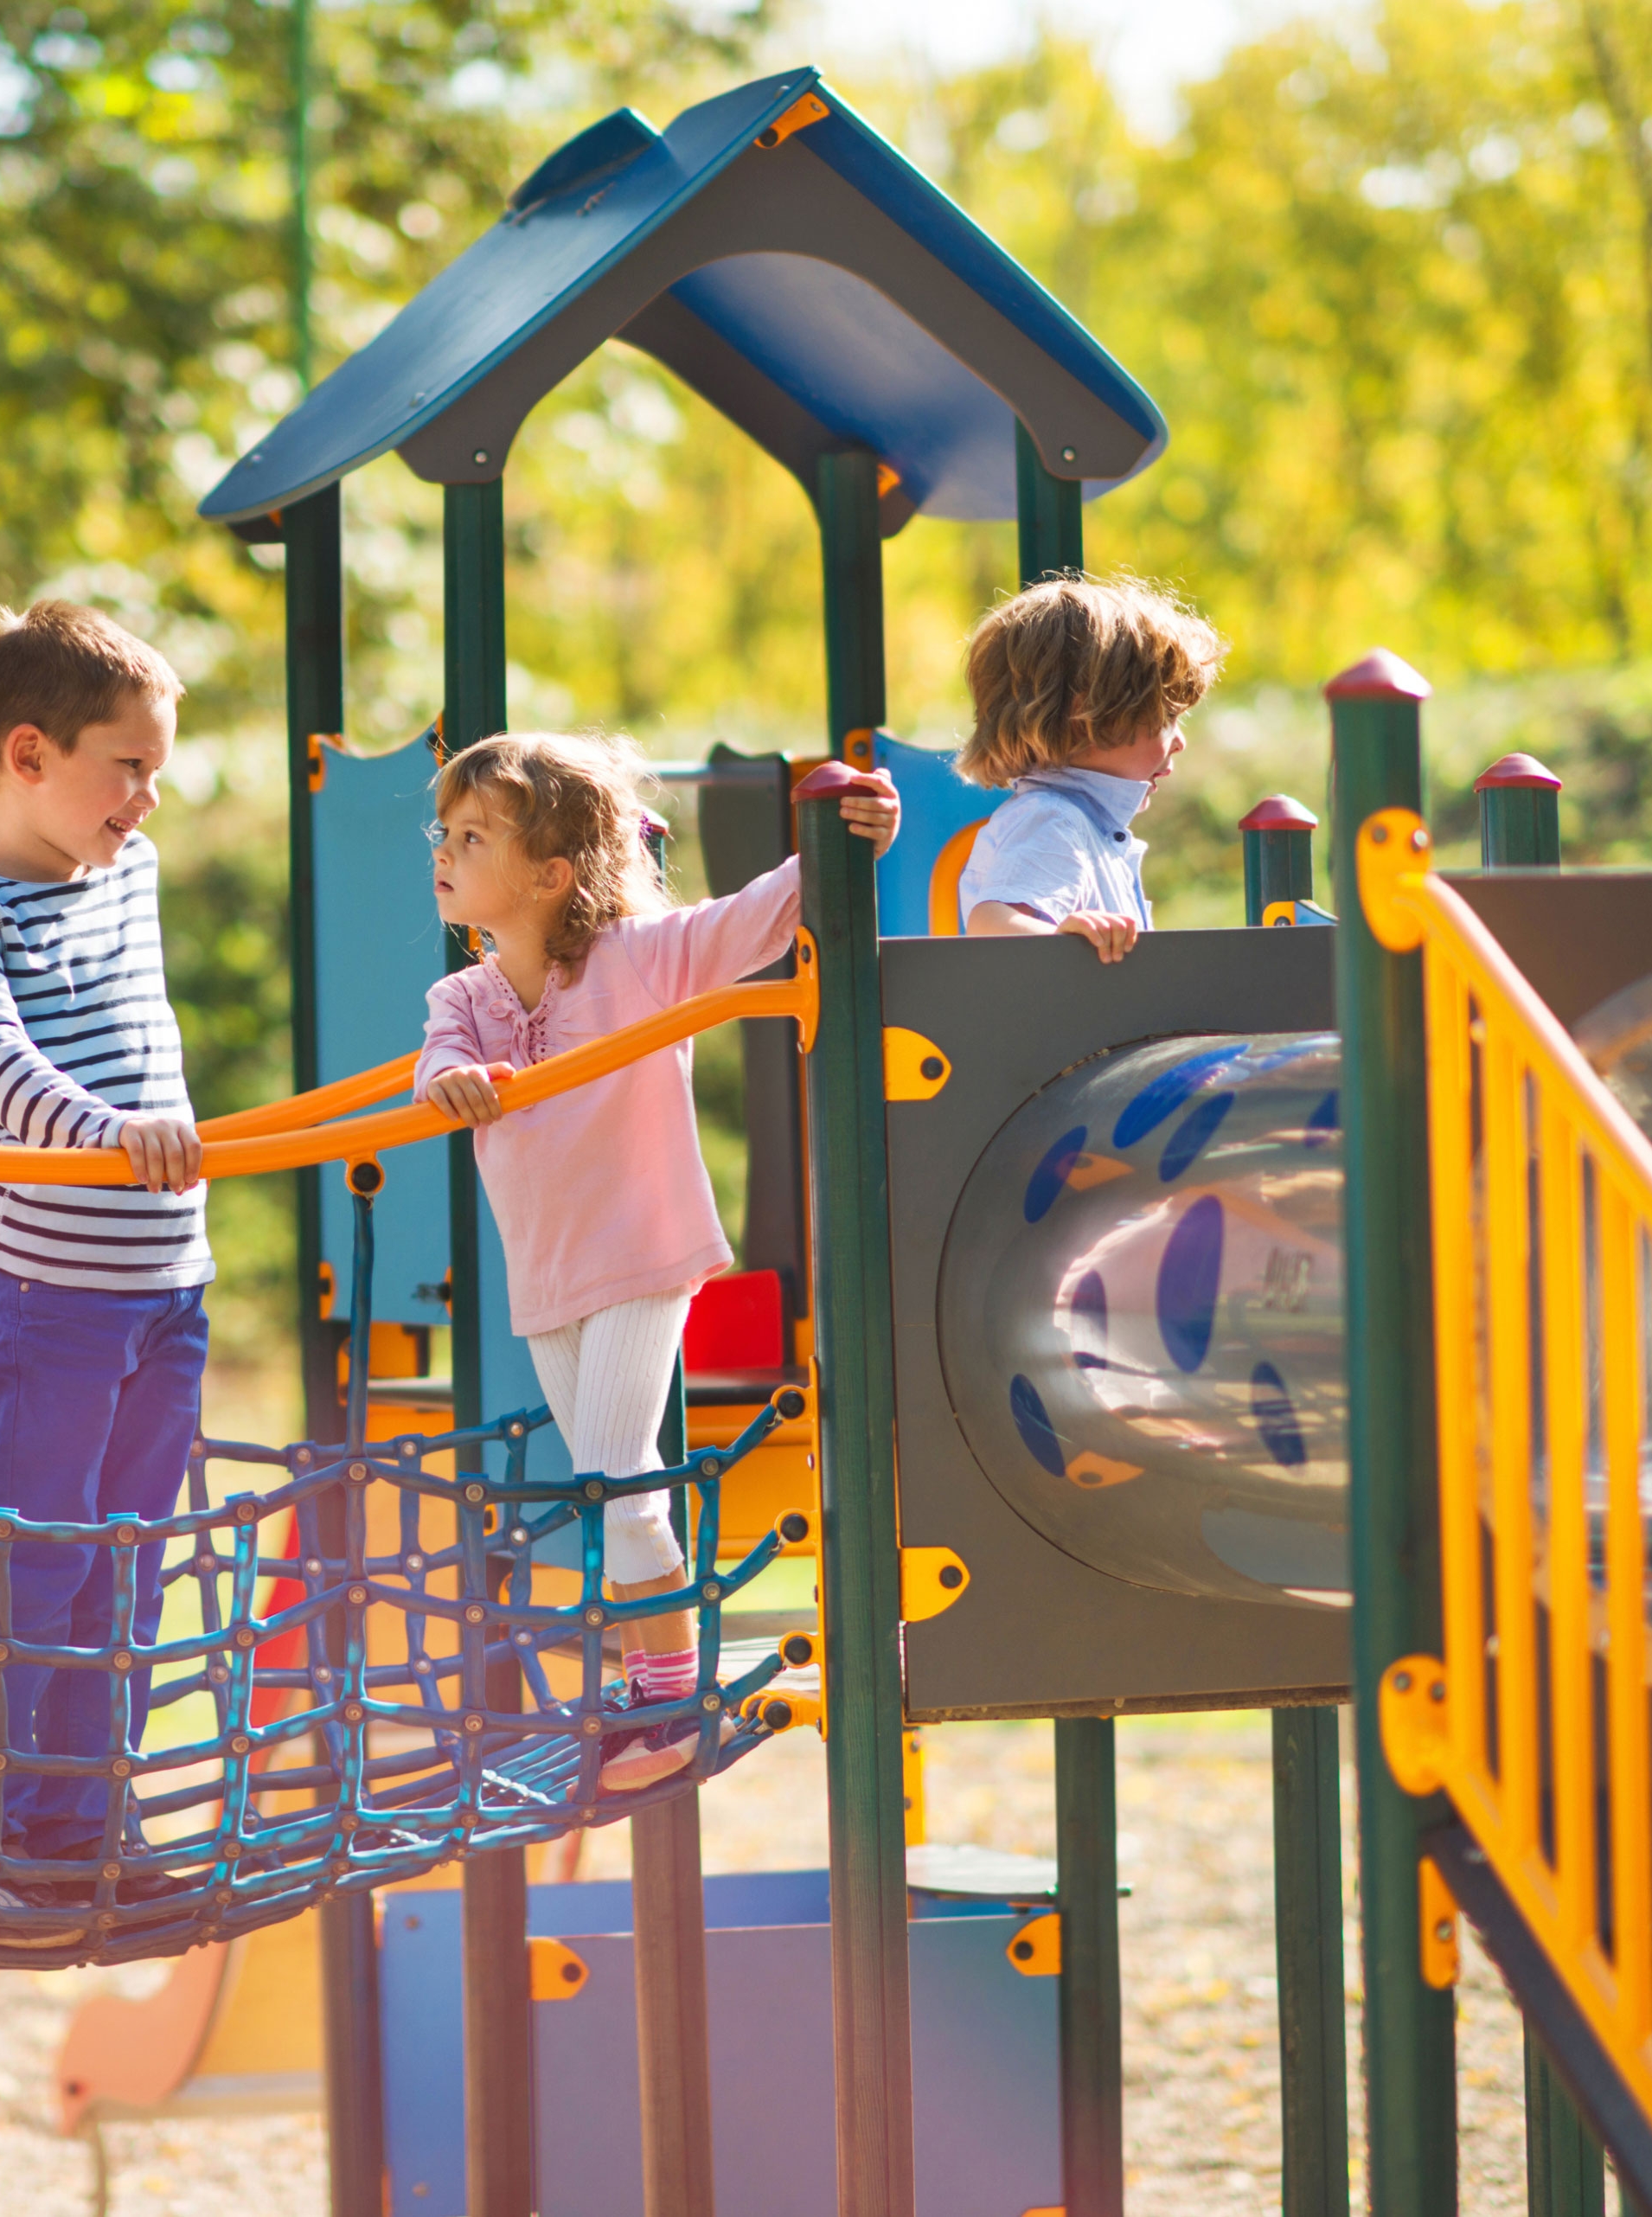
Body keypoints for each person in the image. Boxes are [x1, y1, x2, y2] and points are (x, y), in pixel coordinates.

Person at [416, 734, 897, 1792]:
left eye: (471, 835)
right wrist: (450, 1081)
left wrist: (843, 829)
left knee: (619, 1481)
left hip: (642, 1253)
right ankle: (649, 1692)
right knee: (604, 1490)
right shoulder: (468, 1000)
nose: (444, 852)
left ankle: (669, 1700)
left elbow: (756, 916)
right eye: (442, 833)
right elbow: (438, 1064)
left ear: (550, 874)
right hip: (547, 1280)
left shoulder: (639, 960)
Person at [0, 601, 209, 1908]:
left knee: (129, 1557)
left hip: (168, 1283)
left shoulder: (126, 872)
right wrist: (111, 1135)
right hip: (48, 1290)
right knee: (36, 1552)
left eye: (157, 764)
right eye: (127, 764)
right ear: (27, 755)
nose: (150, 795)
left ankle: (82, 1825)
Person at [953, 573, 1227, 956]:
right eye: (1166, 716)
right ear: (1089, 716)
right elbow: (992, 926)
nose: (1179, 741)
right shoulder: (1053, 820)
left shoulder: (1084, 825)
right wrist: (1060, 942)